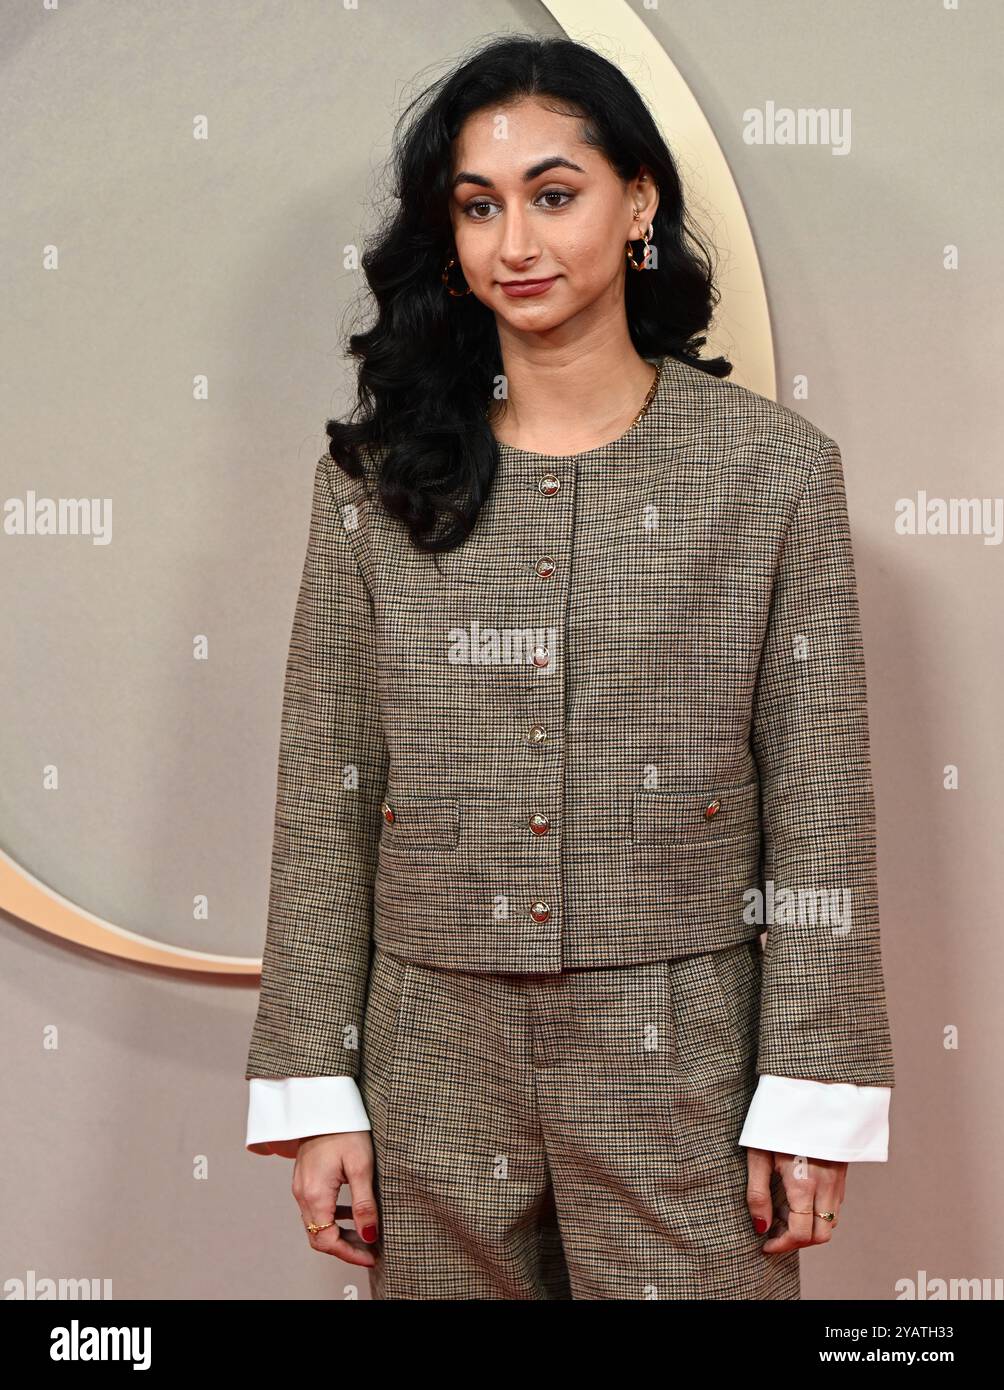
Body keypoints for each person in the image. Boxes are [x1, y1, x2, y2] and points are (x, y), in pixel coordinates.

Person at [244, 34, 894, 1300]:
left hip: (684, 1057)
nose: (514, 244)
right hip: (429, 1060)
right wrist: (319, 1089)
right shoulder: (373, 487)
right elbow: (326, 794)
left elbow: (819, 800)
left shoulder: (770, 472)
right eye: (478, 208)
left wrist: (809, 1090)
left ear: (636, 199)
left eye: (554, 194)